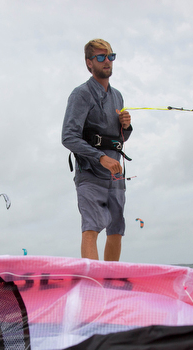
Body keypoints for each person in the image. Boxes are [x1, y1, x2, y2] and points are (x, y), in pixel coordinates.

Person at [62, 39, 132, 261]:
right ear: (88, 63)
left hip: (116, 173)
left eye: (110, 56)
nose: (107, 62)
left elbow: (121, 139)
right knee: (91, 228)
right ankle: (92, 286)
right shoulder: (80, 94)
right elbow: (68, 137)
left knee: (116, 229)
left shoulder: (118, 96)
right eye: (100, 57)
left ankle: (110, 285)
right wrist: (100, 157)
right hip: (90, 172)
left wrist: (127, 126)